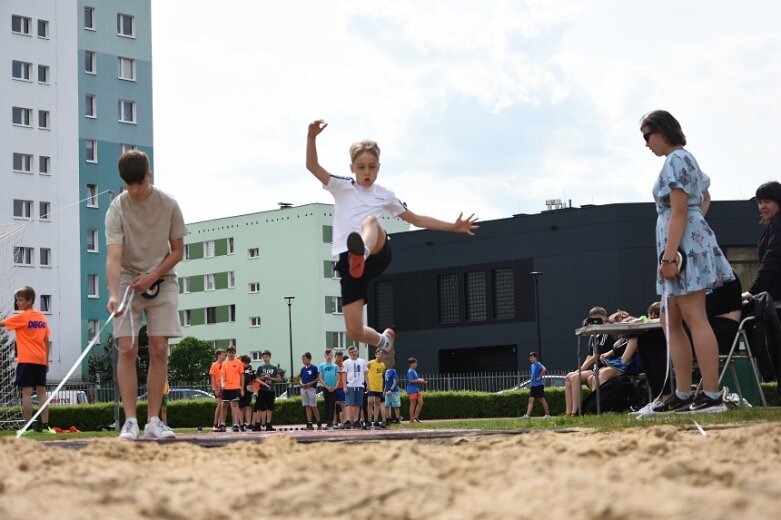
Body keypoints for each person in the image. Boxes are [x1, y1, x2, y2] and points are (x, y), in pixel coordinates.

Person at [306, 120, 478, 368]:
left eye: (372, 167)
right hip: (348, 262)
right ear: (352, 167)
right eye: (362, 167)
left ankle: (361, 252)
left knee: (371, 221)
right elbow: (312, 166)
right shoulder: (341, 186)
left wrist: (454, 226)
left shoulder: (384, 194)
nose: (367, 172)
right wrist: (312, 137)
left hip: (375, 251)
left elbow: (416, 219)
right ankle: (384, 340)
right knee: (354, 331)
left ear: (379, 168)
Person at [642, 110, 735, 413]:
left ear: (662, 132)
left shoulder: (676, 160)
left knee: (695, 318)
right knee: (672, 320)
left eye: (647, 136)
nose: (646, 144)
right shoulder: (684, 159)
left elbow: (680, 209)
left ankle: (710, 393)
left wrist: (671, 255)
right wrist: (696, 228)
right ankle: (684, 392)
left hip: (679, 249)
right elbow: (703, 195)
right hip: (683, 242)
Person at [105, 150, 186, 440]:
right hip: (127, 279)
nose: (135, 190)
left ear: (149, 176)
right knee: (126, 347)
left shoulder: (169, 205)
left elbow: (178, 250)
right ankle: (130, 422)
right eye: (129, 186)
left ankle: (154, 420)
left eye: (139, 183)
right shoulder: (117, 208)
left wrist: (153, 275)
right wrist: (113, 294)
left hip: (161, 277)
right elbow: (114, 257)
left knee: (159, 349)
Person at [0, 286, 52, 433]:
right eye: (17, 300)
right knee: (42, 392)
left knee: (26, 393)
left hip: (27, 360)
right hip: (40, 360)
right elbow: (46, 340)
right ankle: (46, 426)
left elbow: (2, 324)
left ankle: (28, 426)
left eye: (20, 300)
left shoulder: (22, 317)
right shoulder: (42, 317)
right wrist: (46, 361)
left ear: (29, 301)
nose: (17, 303)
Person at [564, 307, 612, 416]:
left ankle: (576, 412)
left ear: (604, 318)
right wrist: (578, 370)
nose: (596, 322)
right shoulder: (592, 335)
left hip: (603, 368)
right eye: (594, 320)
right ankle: (568, 412)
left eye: (598, 319)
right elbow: (589, 356)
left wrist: (578, 371)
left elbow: (596, 356)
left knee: (575, 377)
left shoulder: (605, 333)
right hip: (594, 369)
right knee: (569, 378)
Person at [743, 181, 781, 302]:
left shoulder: (778, 224)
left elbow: (772, 258)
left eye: (767, 202)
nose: (762, 206)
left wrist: (753, 291)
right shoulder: (774, 224)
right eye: (759, 202)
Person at [340, 345, 367, 429]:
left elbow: (365, 374)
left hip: (359, 385)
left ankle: (356, 421)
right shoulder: (346, 362)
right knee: (349, 404)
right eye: (351, 352)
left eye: (354, 351)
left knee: (358, 404)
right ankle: (348, 420)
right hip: (350, 385)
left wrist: (368, 385)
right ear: (349, 354)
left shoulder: (362, 361)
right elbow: (344, 375)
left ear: (357, 351)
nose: (353, 353)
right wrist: (344, 386)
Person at [253, 350, 281, 431]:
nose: (265, 358)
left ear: (270, 357)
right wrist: (263, 378)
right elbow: (257, 379)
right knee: (259, 407)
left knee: (270, 407)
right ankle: (258, 424)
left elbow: (279, 379)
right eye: (264, 357)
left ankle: (268, 424)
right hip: (262, 389)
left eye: (267, 357)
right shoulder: (260, 368)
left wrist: (270, 378)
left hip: (271, 390)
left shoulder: (274, 368)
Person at [220, 346, 244, 432]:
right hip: (226, 387)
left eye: (232, 352)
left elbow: (242, 375)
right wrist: (222, 384)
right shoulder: (224, 363)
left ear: (234, 353)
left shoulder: (239, 362)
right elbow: (222, 375)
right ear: (227, 353)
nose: (231, 353)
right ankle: (222, 424)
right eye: (229, 352)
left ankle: (236, 424)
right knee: (224, 405)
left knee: (235, 404)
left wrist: (242, 388)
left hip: (235, 386)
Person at [522, 352, 550, 419]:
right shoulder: (532, 366)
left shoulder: (538, 364)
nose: (530, 359)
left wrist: (540, 377)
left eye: (532, 357)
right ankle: (527, 416)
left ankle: (548, 415)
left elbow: (544, 369)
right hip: (533, 386)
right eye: (530, 357)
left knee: (542, 399)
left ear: (535, 358)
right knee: (531, 399)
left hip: (539, 385)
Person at [318, 349, 339, 430]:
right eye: (327, 355)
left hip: (334, 388)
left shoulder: (335, 366)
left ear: (332, 356)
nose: (329, 357)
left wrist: (335, 386)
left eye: (330, 355)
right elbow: (320, 377)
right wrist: (327, 387)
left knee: (332, 405)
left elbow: (338, 378)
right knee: (327, 405)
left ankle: (330, 422)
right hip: (325, 388)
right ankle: (328, 422)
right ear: (325, 356)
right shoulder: (321, 366)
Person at [299, 352, 321, 430]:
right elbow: (300, 379)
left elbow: (318, 378)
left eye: (304, 359)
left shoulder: (314, 368)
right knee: (307, 406)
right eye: (302, 359)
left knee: (313, 406)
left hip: (311, 388)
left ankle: (319, 423)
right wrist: (301, 384)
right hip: (304, 389)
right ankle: (309, 423)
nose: (303, 361)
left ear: (309, 359)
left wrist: (310, 383)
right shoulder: (302, 369)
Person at [366, 349, 387, 428]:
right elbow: (365, 371)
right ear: (375, 355)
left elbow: (382, 374)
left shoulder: (383, 365)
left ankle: (375, 420)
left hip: (379, 386)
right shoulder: (370, 363)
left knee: (377, 403)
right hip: (371, 386)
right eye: (378, 354)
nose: (380, 355)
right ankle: (368, 420)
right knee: (370, 402)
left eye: (381, 354)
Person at [209, 349, 226, 432]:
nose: (224, 356)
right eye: (223, 355)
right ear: (219, 355)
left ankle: (220, 425)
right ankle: (215, 424)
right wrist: (215, 389)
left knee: (223, 406)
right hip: (217, 388)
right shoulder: (214, 365)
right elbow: (212, 379)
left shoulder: (225, 364)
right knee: (219, 405)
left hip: (224, 388)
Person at [406, 357, 426, 423]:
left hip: (416, 389)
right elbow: (410, 380)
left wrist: (421, 381)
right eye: (416, 363)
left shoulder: (413, 371)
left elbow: (415, 380)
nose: (416, 365)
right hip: (412, 390)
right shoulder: (410, 371)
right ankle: (412, 419)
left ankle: (416, 417)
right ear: (412, 364)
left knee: (421, 402)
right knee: (413, 404)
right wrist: (419, 380)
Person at [239, 355, 254, 431]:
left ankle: (249, 424)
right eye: (244, 363)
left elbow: (250, 378)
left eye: (247, 363)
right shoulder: (238, 368)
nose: (246, 364)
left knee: (248, 406)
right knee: (241, 408)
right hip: (239, 390)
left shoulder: (249, 369)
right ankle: (241, 424)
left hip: (248, 391)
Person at [333, 350, 347, 426]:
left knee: (343, 405)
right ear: (335, 357)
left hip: (342, 387)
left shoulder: (344, 365)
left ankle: (344, 422)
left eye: (340, 357)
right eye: (337, 357)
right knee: (334, 405)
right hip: (334, 387)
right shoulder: (332, 366)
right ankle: (334, 422)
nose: (339, 358)